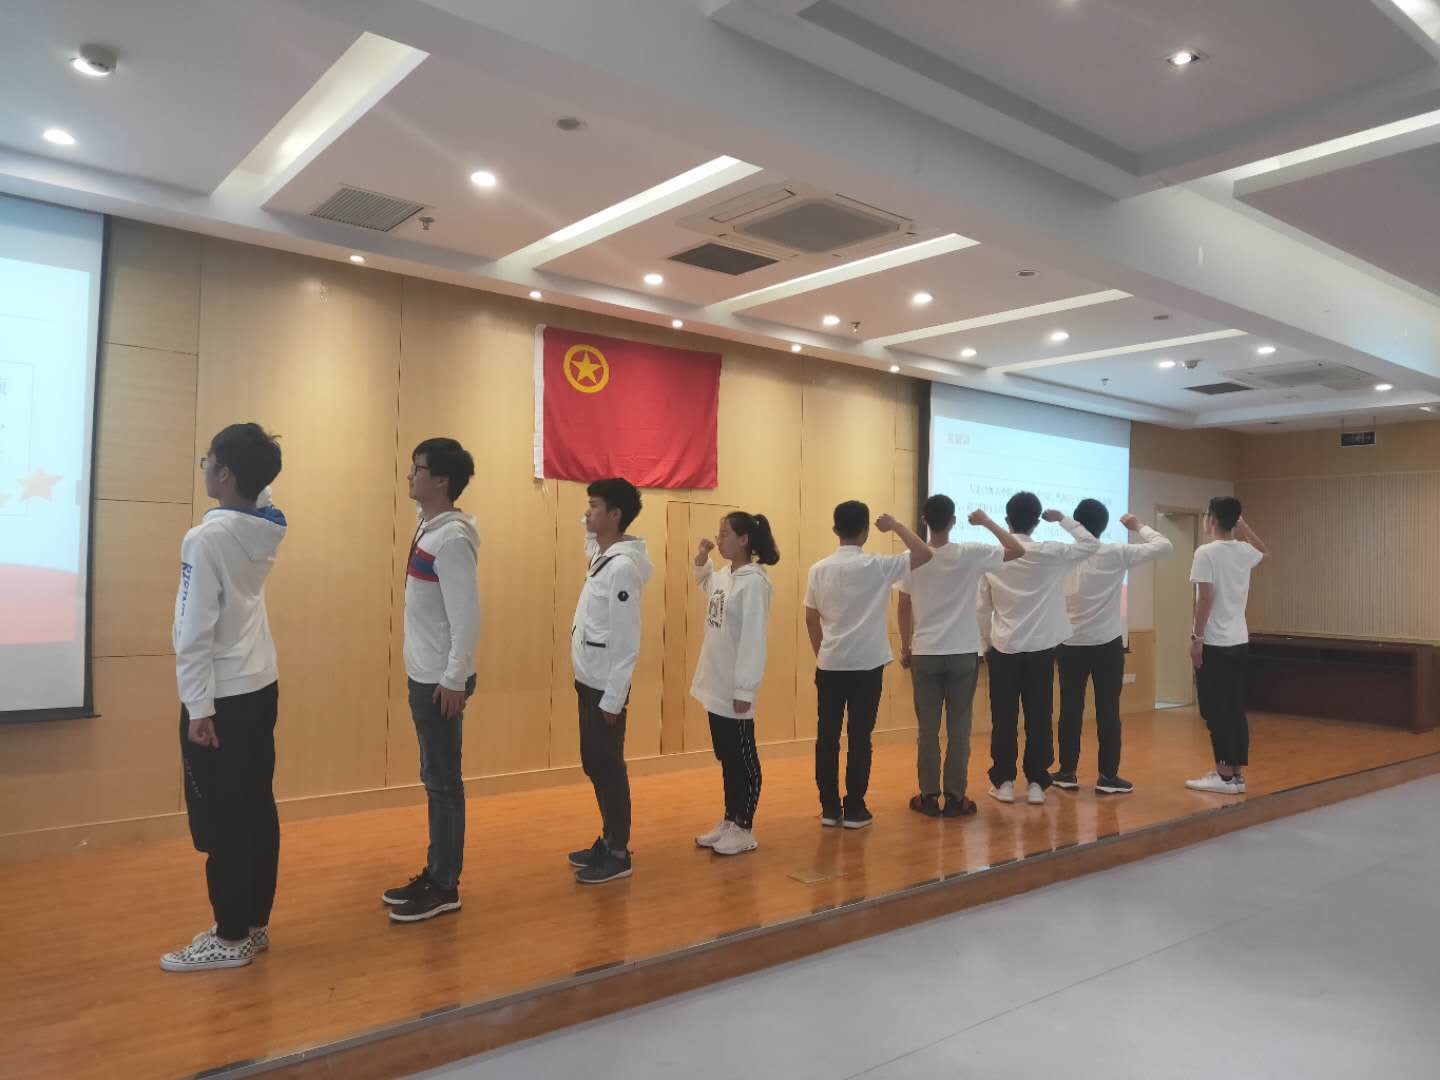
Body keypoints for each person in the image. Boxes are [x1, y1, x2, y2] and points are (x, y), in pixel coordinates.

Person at [161, 424, 285, 973]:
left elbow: (193, 631)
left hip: (220, 699)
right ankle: (253, 923)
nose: (204, 468)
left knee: (222, 818)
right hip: (259, 686)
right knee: (256, 806)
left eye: (207, 460)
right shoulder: (268, 525)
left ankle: (230, 937)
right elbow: (263, 487)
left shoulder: (205, 539)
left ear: (226, 474)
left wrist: (198, 708)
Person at [382, 439, 481, 923]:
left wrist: (453, 679)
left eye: (417, 469)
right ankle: (436, 871)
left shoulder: (453, 540)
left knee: (443, 784)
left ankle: (445, 886)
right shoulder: (430, 525)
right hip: (426, 674)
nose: (410, 476)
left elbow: (467, 619)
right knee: (435, 779)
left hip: (441, 682)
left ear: (441, 480)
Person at [805, 501, 933, 829]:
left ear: (835, 530)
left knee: (827, 737)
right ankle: (855, 809)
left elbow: (811, 617)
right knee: (860, 737)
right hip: (867, 665)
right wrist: (896, 526)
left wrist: (822, 653)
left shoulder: (818, 569)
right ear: (864, 532)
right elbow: (924, 553)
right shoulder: (878, 565)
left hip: (830, 664)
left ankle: (829, 809)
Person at [898, 495, 1023, 818]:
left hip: (925, 651)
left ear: (924, 520)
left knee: (927, 730)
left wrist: (905, 646)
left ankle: (928, 797)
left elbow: (904, 605)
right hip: (963, 652)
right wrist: (987, 522)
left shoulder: (912, 557)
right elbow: (1016, 549)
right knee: (959, 728)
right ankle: (955, 798)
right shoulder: (970, 553)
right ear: (953, 521)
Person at [978, 493, 1099, 807]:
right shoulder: (1051, 552)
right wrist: (1062, 519)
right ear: (1035, 522)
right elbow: (1090, 544)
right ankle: (1036, 783)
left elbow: (982, 607)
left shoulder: (993, 555)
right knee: (1039, 716)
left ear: (1007, 520)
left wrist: (985, 643)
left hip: (1003, 647)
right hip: (1042, 649)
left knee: (1004, 718)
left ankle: (1004, 782)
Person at [1052, 501, 1172, 796]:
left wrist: (1063, 520)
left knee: (1070, 710)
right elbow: (1164, 546)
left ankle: (1067, 772)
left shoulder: (1063, 555)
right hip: (1107, 645)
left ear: (1077, 524)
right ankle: (1108, 776)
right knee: (1109, 711)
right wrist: (1137, 525)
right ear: (1104, 526)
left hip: (1069, 644)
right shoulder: (1115, 552)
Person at [567, 478, 653, 884]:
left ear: (615, 515)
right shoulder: (603, 555)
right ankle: (608, 837)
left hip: (605, 687)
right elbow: (592, 536)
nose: (587, 512)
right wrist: (594, 523)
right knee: (594, 762)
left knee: (607, 766)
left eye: (595, 506)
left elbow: (627, 639)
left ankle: (618, 851)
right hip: (589, 678)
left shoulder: (622, 568)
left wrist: (614, 698)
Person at [691, 511, 779, 856]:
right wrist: (703, 559)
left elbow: (753, 640)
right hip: (716, 683)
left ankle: (744, 827)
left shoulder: (754, 583)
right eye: (719, 532)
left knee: (743, 758)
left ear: (744, 540)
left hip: (735, 688)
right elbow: (706, 584)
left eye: (725, 533)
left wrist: (745, 688)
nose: (719, 538)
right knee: (727, 755)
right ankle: (730, 819)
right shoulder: (726, 576)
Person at [1186, 496, 1268, 795]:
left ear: (1212, 519)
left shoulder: (1205, 552)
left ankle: (1223, 775)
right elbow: (1263, 550)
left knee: (1215, 709)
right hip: (1238, 641)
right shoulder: (1244, 551)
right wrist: (1243, 526)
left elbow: (1205, 598)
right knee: (1234, 708)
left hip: (1215, 643)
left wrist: (1197, 639)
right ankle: (1235, 774)